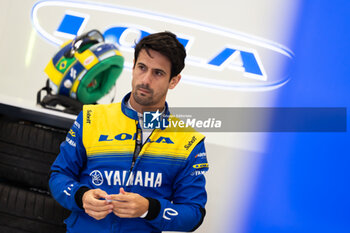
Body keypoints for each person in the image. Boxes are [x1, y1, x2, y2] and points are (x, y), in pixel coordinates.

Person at [49, 31, 209, 233]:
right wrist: (81, 196)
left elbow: (193, 214)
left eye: (158, 73)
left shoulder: (188, 141)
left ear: (174, 81)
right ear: (133, 66)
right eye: (142, 68)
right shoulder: (91, 118)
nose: (145, 80)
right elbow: (59, 175)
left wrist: (149, 209)